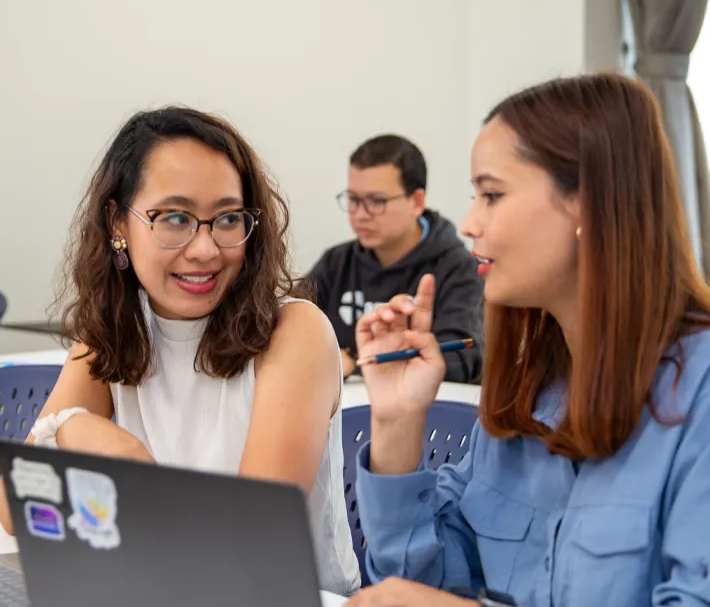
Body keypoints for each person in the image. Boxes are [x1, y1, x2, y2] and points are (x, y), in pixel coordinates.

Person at [346, 74, 710, 607]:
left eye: (491, 194)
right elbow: (424, 585)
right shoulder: (531, 392)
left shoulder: (697, 391)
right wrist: (397, 422)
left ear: (588, 203)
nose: (469, 222)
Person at [0, 107, 360, 597]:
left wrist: (132, 483)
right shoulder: (116, 328)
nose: (206, 249)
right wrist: (70, 428)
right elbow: (11, 506)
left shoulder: (293, 331)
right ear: (117, 223)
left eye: (228, 218)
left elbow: (252, 541)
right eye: (174, 218)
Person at [308, 134, 484, 383]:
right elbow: (290, 326)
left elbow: (461, 359)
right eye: (354, 200)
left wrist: (355, 364)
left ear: (416, 202)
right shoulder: (336, 263)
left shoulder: (459, 269)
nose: (360, 214)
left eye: (377, 201)